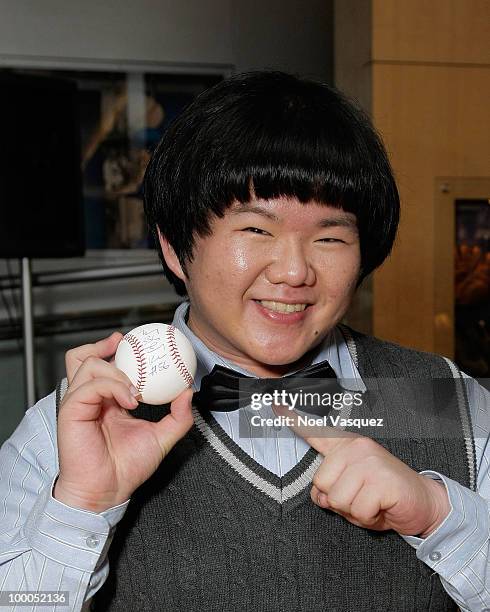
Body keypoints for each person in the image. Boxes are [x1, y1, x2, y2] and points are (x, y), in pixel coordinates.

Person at [0, 71, 489, 612]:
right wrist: (82, 505)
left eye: (330, 237)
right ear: (173, 246)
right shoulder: (73, 425)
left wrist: (439, 517)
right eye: (257, 230)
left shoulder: (444, 400)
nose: (294, 271)